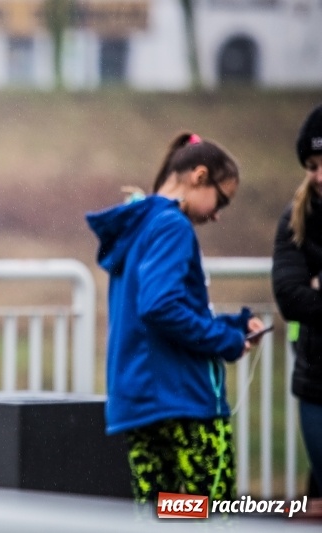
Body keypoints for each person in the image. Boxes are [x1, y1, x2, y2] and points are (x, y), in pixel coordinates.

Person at [85, 132, 265, 506]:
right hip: (183, 402)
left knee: (157, 520)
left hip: (139, 402)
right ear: (200, 176)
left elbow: (156, 310)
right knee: (210, 517)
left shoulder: (138, 224)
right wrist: (227, 342)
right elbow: (160, 307)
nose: (217, 215)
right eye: (222, 200)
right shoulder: (173, 226)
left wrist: (231, 325)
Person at [271, 103, 322, 501]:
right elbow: (292, 299)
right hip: (316, 382)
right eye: (312, 165)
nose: (319, 176)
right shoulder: (296, 218)